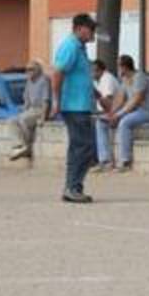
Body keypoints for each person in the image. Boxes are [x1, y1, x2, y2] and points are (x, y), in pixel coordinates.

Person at [50, 13, 99, 204]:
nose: (93, 32)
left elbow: (80, 78)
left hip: (81, 105)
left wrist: (99, 96)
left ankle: (73, 186)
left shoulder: (80, 48)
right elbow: (57, 73)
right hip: (73, 106)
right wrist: (56, 101)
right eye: (91, 28)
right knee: (83, 147)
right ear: (79, 28)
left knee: (80, 147)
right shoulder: (70, 46)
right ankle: (73, 187)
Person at [94, 55, 149, 172]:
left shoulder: (139, 77)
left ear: (124, 67)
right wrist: (111, 113)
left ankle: (125, 161)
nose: (118, 69)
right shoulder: (124, 79)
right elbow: (120, 99)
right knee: (101, 123)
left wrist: (119, 115)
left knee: (124, 122)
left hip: (145, 111)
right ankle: (105, 161)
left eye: (119, 66)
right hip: (131, 111)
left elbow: (136, 100)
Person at [8, 60, 51, 161]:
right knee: (12, 120)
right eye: (27, 70)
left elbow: (46, 100)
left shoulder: (44, 80)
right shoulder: (28, 82)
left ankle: (27, 148)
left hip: (40, 109)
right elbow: (26, 101)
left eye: (31, 69)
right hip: (31, 109)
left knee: (24, 119)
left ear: (38, 70)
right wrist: (23, 111)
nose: (28, 72)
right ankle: (19, 146)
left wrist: (43, 118)